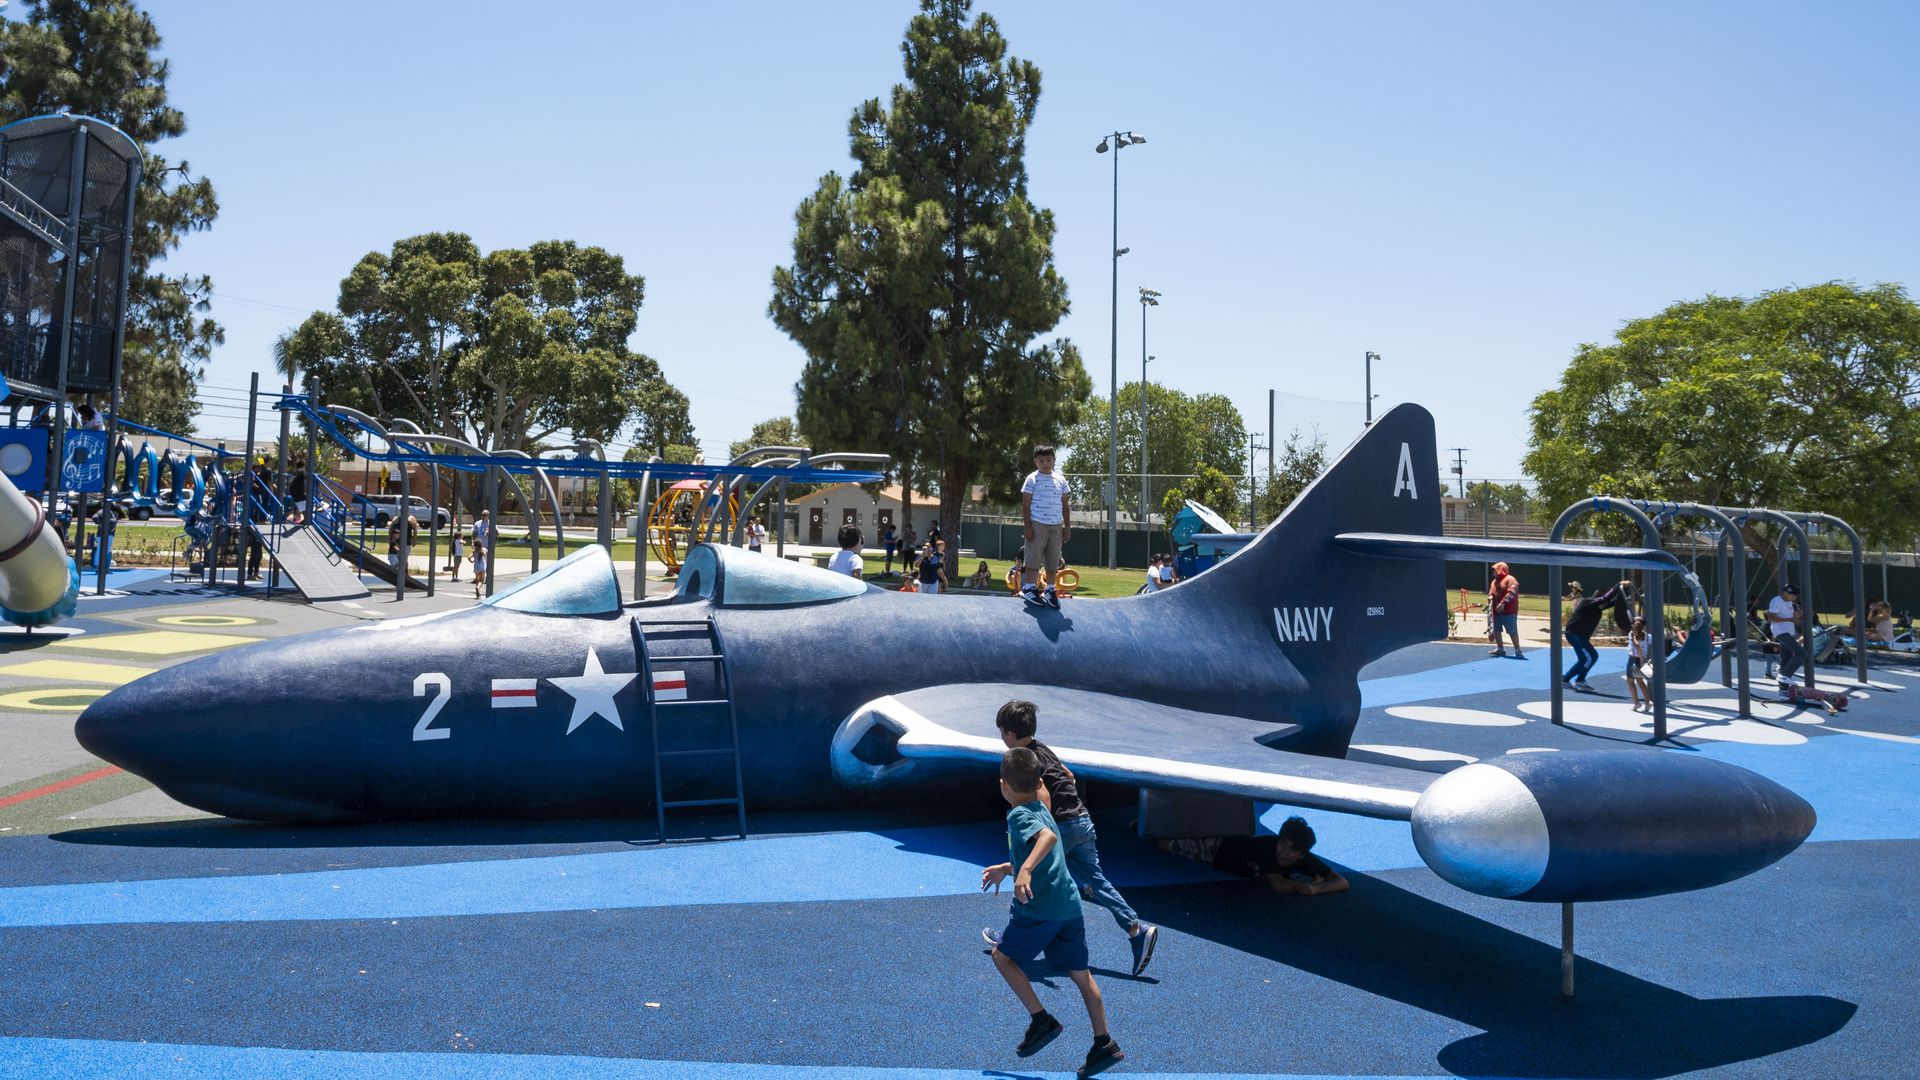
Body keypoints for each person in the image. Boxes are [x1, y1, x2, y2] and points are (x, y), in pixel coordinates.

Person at [987, 700, 1159, 976]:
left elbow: (1042, 797)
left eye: (1001, 732)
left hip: (1063, 825)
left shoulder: (1023, 760)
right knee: (1095, 882)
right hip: (1082, 819)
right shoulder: (1043, 748)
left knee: (1026, 869)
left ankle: (1011, 937)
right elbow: (1068, 774)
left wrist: (1042, 830)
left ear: (1008, 733)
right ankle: (1137, 930)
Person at [981, 747, 1124, 1078]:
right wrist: (1008, 867)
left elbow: (1044, 839)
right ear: (1039, 782)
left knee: (1003, 958)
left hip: (1041, 909)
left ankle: (1041, 1020)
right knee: (1081, 976)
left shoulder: (1018, 815)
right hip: (1069, 905)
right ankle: (1104, 1043)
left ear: (1003, 785)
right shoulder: (1043, 806)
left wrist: (1024, 870)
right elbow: (1045, 838)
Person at [1161, 816, 1350, 897]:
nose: (1283, 851)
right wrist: (1313, 885)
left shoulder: (1306, 858)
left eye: (1291, 849)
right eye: (1282, 843)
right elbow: (1279, 886)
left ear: (1301, 854)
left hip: (1231, 851)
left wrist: (1317, 890)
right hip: (1219, 850)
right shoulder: (1268, 849)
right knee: (1165, 845)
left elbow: (1342, 882)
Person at [1020, 444, 1071, 607]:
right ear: (1035, 462)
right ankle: (1029, 588)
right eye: (1041, 461)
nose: (1045, 464)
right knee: (1033, 556)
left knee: (1053, 558)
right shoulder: (1031, 479)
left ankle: (1050, 589)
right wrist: (1028, 527)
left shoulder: (1060, 479)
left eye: (1048, 460)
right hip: (1037, 523)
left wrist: (1067, 527)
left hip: (1056, 525)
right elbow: (1026, 504)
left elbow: (1065, 505)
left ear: (1054, 460)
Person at [1564, 579, 1632, 693]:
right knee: (1590, 657)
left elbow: (1614, 602)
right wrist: (1618, 585)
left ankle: (1565, 679)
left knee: (1586, 658)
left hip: (1579, 636)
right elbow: (1606, 599)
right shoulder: (1588, 602)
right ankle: (1579, 680)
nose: (1604, 605)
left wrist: (1626, 592)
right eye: (1602, 602)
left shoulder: (1597, 607)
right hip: (1574, 633)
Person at [1767, 582, 1805, 692]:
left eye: (1795, 597)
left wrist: (1797, 616)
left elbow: (1794, 620)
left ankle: (1783, 688)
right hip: (1781, 632)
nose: (1793, 598)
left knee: (1786, 658)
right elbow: (1770, 617)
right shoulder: (1776, 601)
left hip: (1789, 632)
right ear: (1786, 593)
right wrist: (1789, 619)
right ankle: (1785, 675)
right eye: (1792, 596)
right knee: (1801, 653)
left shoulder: (1790, 603)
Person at [1487, 560, 1524, 658]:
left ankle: (1518, 651)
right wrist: (1490, 597)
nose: (1494, 572)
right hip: (1496, 612)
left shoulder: (1510, 579)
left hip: (1509, 612)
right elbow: (1491, 592)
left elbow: (1512, 592)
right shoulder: (1494, 582)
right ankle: (1500, 649)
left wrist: (1503, 603)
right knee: (1496, 630)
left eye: (1495, 570)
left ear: (1500, 569)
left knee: (1512, 631)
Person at [1626, 616, 1652, 711]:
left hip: (1634, 660)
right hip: (1643, 660)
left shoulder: (1632, 634)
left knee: (1630, 681)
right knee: (1640, 682)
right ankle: (1647, 703)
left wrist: (1641, 658)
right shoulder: (1648, 636)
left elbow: (1636, 645)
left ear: (1633, 625)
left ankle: (1637, 703)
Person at [447, 514, 463, 580]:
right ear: (458, 536)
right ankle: (453, 577)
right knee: (456, 566)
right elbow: (463, 542)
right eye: (461, 535)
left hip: (459, 555)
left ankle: (456, 577)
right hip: (457, 555)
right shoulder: (457, 540)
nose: (462, 536)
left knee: (457, 566)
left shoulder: (457, 540)